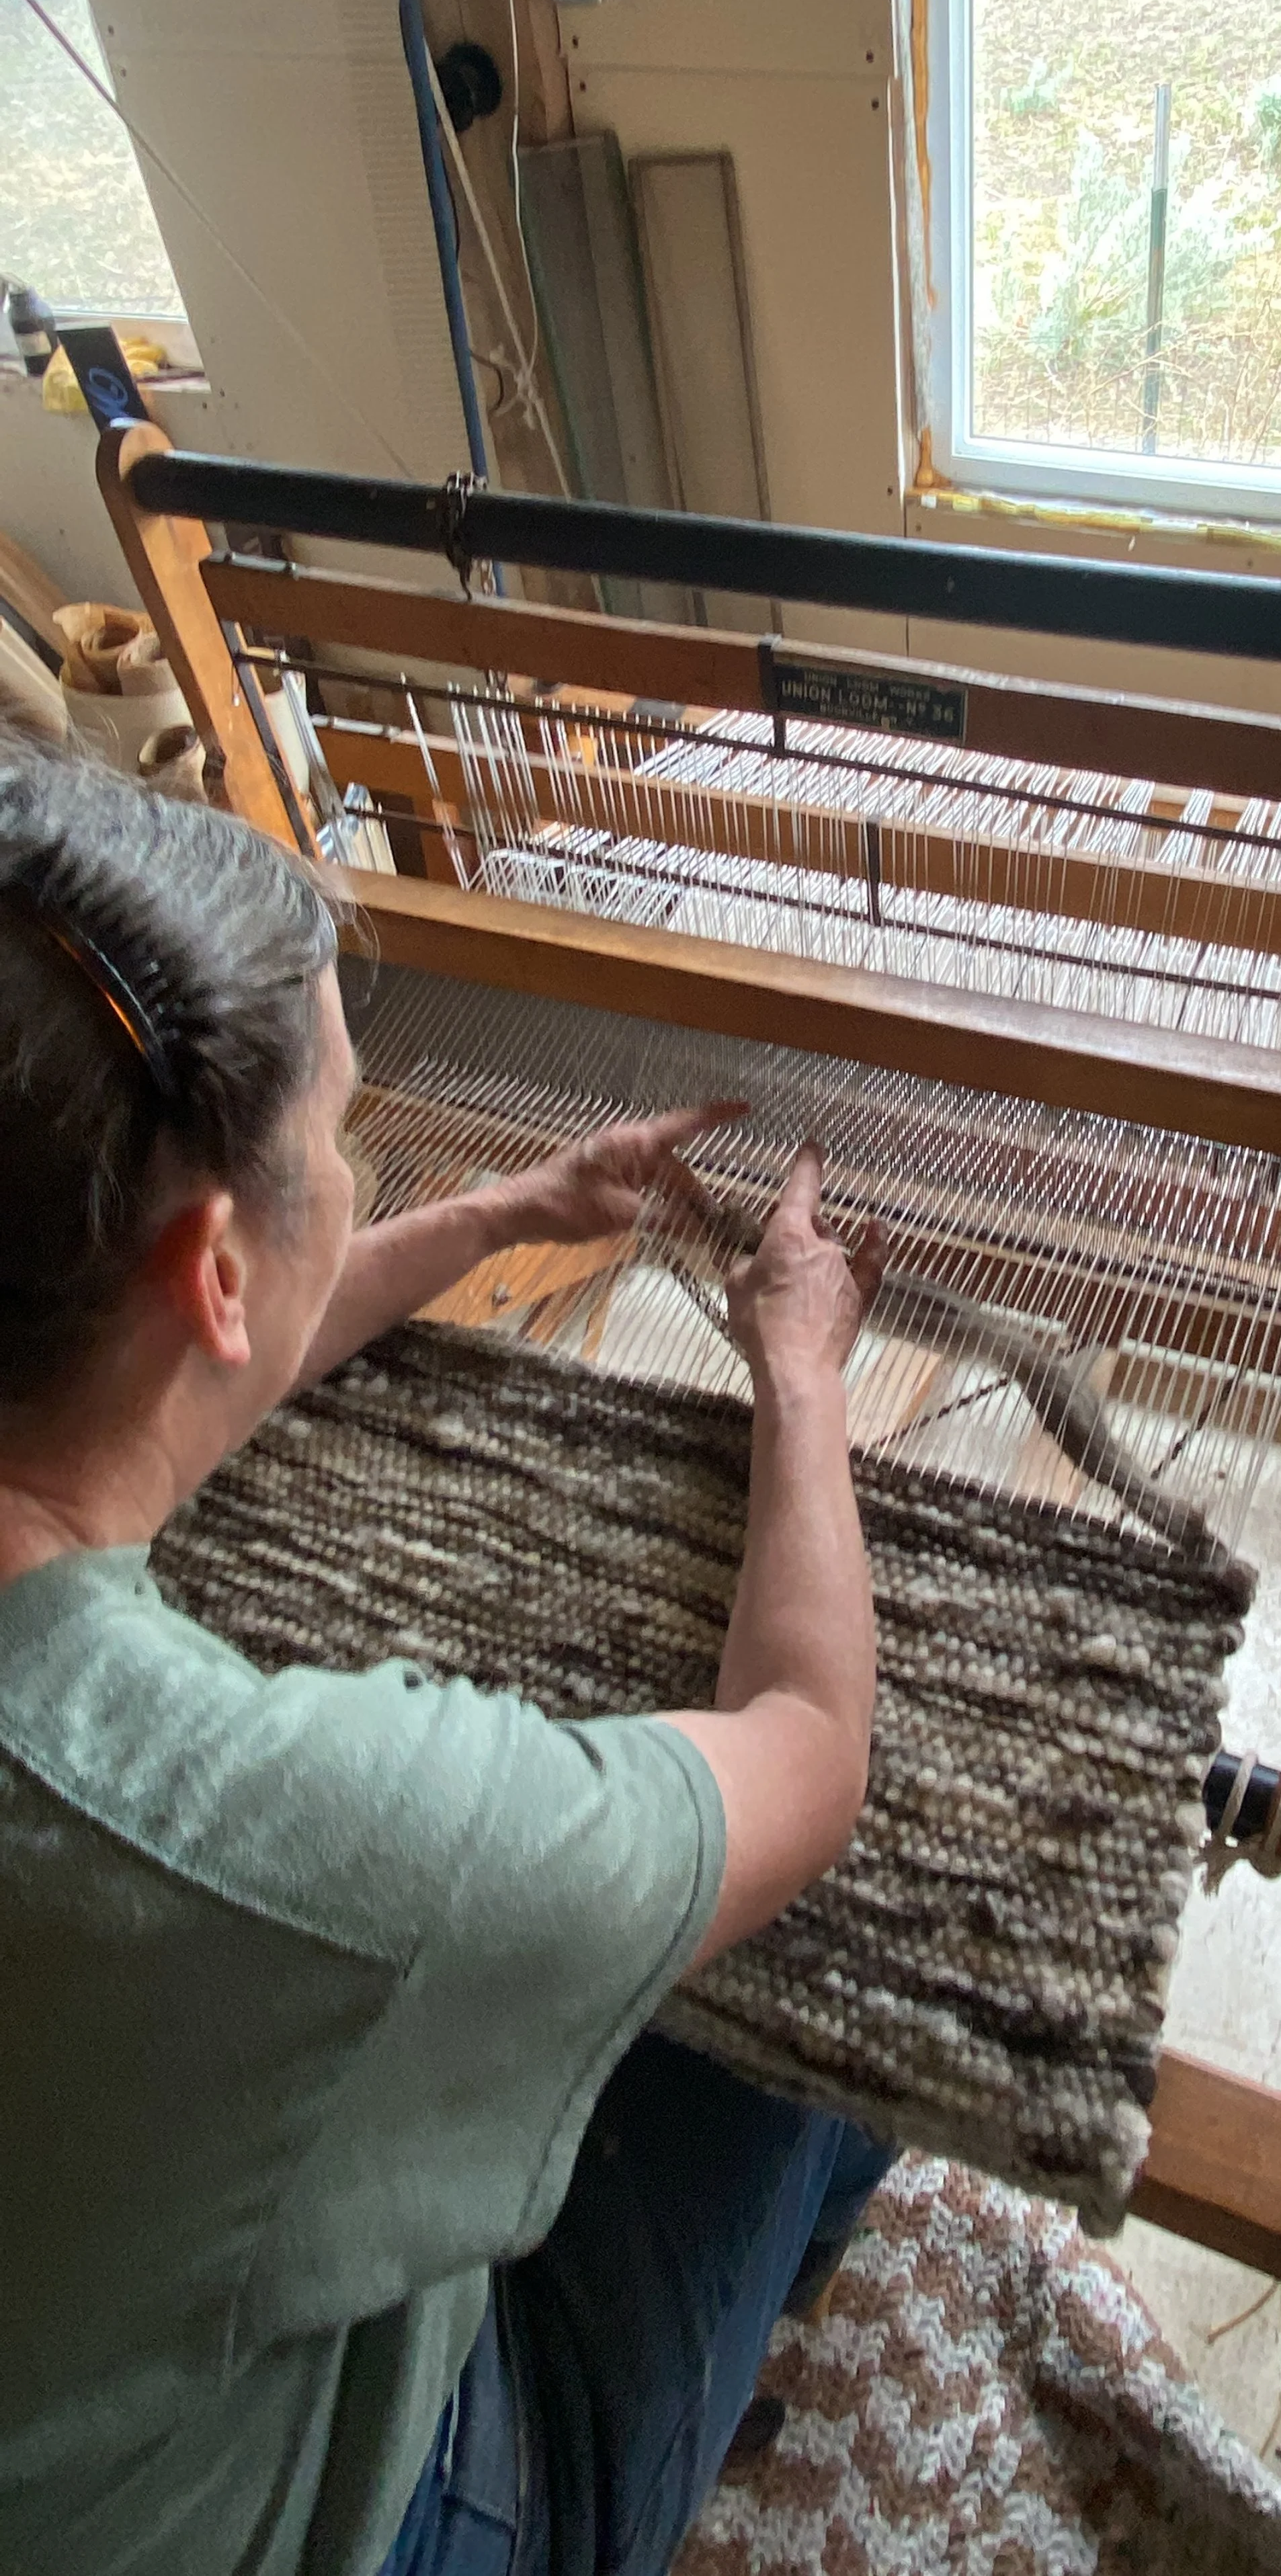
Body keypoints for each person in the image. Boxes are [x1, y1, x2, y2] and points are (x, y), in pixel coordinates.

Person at [0, 731, 893, 2576]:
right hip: (405, 2515)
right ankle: (701, 2397)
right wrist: (800, 1368)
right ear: (215, 1271)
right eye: (344, 1127)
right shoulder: (283, 1834)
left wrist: (494, 1215)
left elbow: (144, 1395)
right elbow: (808, 1744)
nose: (358, 1150)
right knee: (828, 2004)